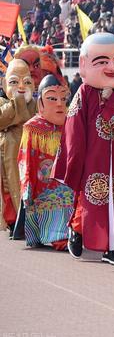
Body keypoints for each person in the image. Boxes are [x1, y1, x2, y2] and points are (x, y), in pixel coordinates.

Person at [52, 33, 114, 266]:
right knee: (91, 198)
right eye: (103, 61)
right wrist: (75, 159)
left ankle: (112, 248)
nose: (112, 66)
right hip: (93, 156)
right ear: (85, 64)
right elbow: (74, 129)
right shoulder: (85, 92)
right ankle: (77, 230)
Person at [16, 74, 72, 249]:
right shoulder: (33, 127)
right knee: (42, 205)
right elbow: (25, 157)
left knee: (67, 201)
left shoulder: (70, 123)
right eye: (52, 99)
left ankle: (63, 236)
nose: (59, 104)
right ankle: (49, 236)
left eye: (63, 98)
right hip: (42, 182)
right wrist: (26, 184)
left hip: (64, 179)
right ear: (40, 102)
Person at [0, 59, 36, 234]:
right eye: (14, 82)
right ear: (5, 83)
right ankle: (14, 221)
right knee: (9, 187)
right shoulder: (2, 102)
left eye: (27, 81)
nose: (21, 86)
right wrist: (17, 103)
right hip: (8, 153)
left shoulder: (36, 104)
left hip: (31, 151)